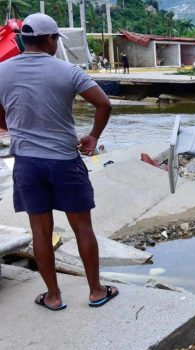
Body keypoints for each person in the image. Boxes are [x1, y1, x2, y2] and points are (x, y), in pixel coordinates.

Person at [0, 13, 116, 311]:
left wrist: (12, 127)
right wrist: (92, 136)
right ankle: (96, 291)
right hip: (65, 161)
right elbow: (104, 104)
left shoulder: (2, 71)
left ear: (24, 39)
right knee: (82, 228)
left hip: (26, 162)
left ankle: (53, 296)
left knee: (40, 232)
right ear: (50, 39)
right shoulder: (67, 70)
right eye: (55, 40)